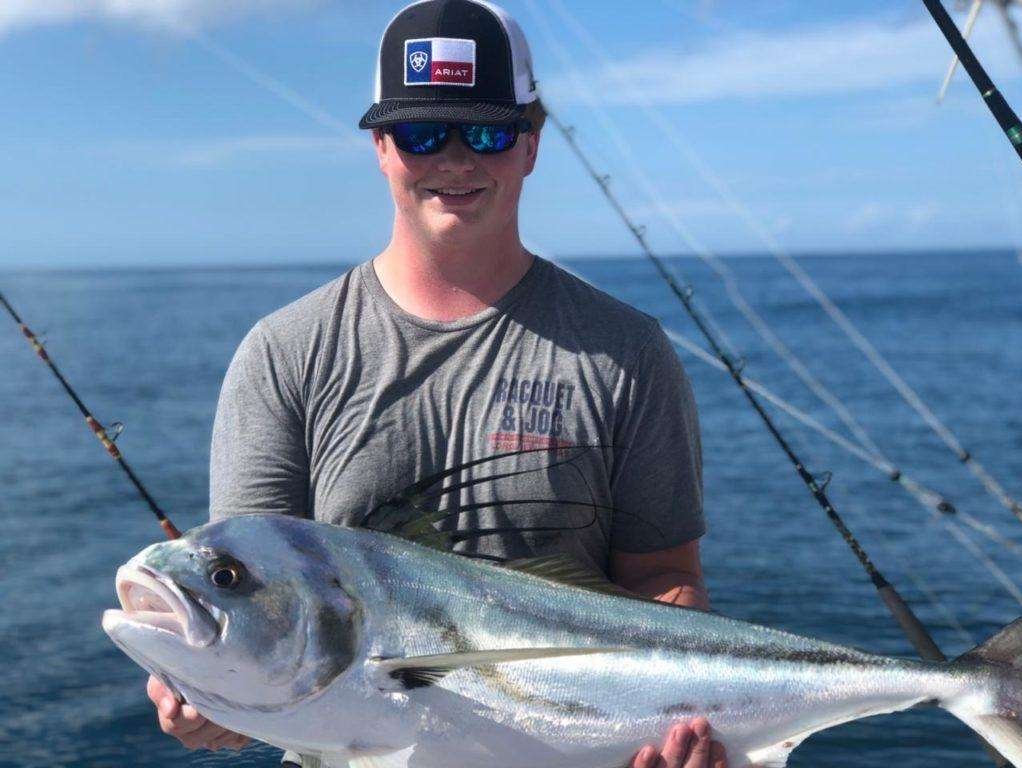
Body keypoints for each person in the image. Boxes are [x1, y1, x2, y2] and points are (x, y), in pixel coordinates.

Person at [147, 1, 727, 766]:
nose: (455, 161)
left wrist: (685, 723)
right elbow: (255, 596)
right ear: (382, 146)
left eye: (486, 132)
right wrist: (209, 695)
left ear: (532, 143)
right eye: (424, 134)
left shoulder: (627, 351)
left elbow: (664, 581)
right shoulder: (284, 353)